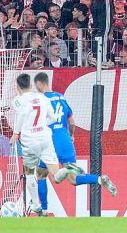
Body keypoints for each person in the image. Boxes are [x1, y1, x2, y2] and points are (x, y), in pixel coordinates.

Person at [32, 73, 117, 214]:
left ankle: (44, 211)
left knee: (41, 175)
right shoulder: (61, 97)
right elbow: (72, 121)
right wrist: (71, 135)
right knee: (73, 180)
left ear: (39, 84)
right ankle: (100, 179)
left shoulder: (40, 100)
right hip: (65, 141)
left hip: (50, 142)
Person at [10, 73, 74, 216]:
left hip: (30, 141)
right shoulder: (43, 98)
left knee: (30, 174)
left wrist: (16, 133)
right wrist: (42, 125)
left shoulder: (17, 101)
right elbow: (53, 117)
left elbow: (20, 115)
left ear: (18, 87)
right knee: (55, 175)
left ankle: (37, 204)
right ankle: (63, 173)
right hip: (45, 138)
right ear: (31, 85)